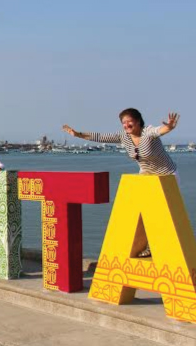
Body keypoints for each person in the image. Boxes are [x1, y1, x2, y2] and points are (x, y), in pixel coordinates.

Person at [62, 108, 180, 257]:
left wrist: (169, 127)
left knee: (161, 213)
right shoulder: (124, 137)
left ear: (138, 121)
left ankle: (160, 247)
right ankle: (146, 245)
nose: (126, 125)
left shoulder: (148, 133)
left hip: (167, 175)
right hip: (146, 175)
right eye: (124, 122)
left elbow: (160, 130)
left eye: (130, 121)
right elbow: (101, 137)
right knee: (141, 213)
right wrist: (78, 134)